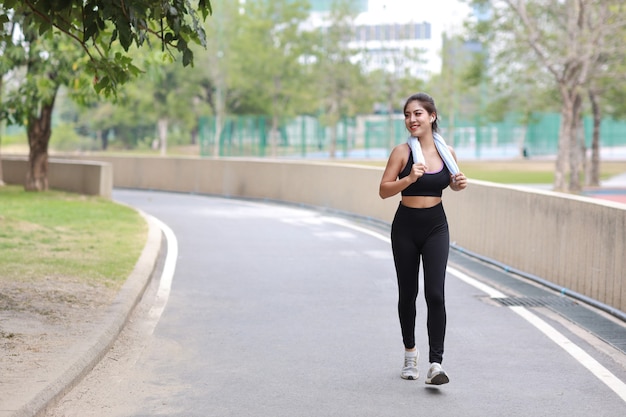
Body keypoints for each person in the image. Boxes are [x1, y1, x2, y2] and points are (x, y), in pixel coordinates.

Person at [379, 92, 467, 385]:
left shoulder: (446, 153)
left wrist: (458, 184)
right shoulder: (402, 153)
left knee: (435, 294)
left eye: (417, 114)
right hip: (405, 226)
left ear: (432, 116)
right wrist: (409, 179)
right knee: (408, 294)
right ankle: (410, 353)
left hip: (436, 227)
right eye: (407, 115)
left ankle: (436, 364)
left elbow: (449, 185)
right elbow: (384, 190)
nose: (411, 120)